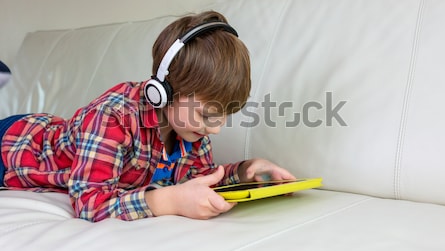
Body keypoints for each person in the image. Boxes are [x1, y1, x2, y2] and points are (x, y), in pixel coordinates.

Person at [0, 11, 295, 222]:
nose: (215, 130)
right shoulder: (112, 118)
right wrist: (166, 201)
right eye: (207, 116)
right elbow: (90, 204)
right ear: (163, 92)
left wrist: (244, 172)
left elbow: (198, 179)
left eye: (222, 117)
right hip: (14, 147)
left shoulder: (192, 131)